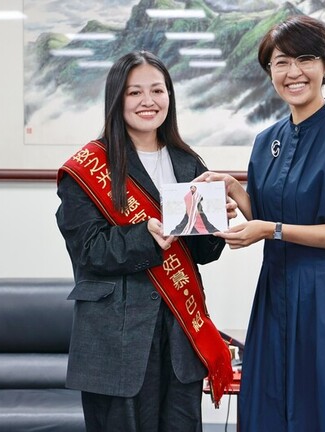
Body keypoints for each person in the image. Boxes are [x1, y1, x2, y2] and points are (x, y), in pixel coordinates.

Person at [195, 15, 325, 432]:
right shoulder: (267, 141)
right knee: (271, 405)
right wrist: (235, 190)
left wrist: (271, 231)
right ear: (270, 71)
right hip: (277, 290)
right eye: (281, 62)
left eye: (305, 59)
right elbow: (266, 216)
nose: (293, 72)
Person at [55, 51, 233, 432]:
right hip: (115, 342)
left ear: (170, 96)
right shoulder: (87, 169)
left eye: (157, 90)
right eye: (134, 92)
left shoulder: (187, 162)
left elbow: (200, 253)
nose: (147, 101)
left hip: (179, 338)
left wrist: (217, 223)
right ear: (116, 99)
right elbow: (88, 250)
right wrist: (144, 237)